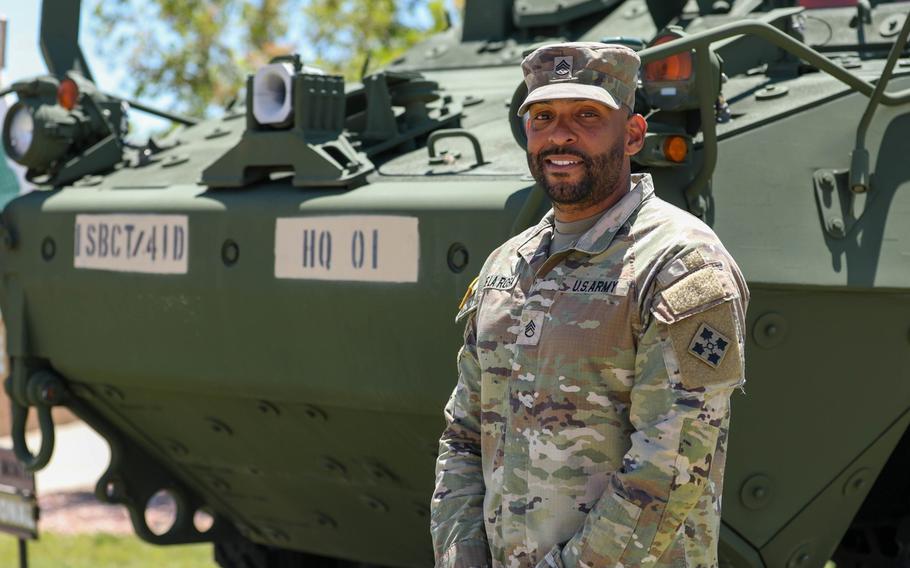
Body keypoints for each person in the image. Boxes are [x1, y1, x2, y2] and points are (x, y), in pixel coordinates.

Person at [430, 42, 749, 568]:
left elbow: (667, 470)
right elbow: (464, 436)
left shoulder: (680, 265)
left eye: (587, 116)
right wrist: (459, 556)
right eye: (543, 116)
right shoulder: (509, 264)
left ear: (632, 135)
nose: (560, 135)